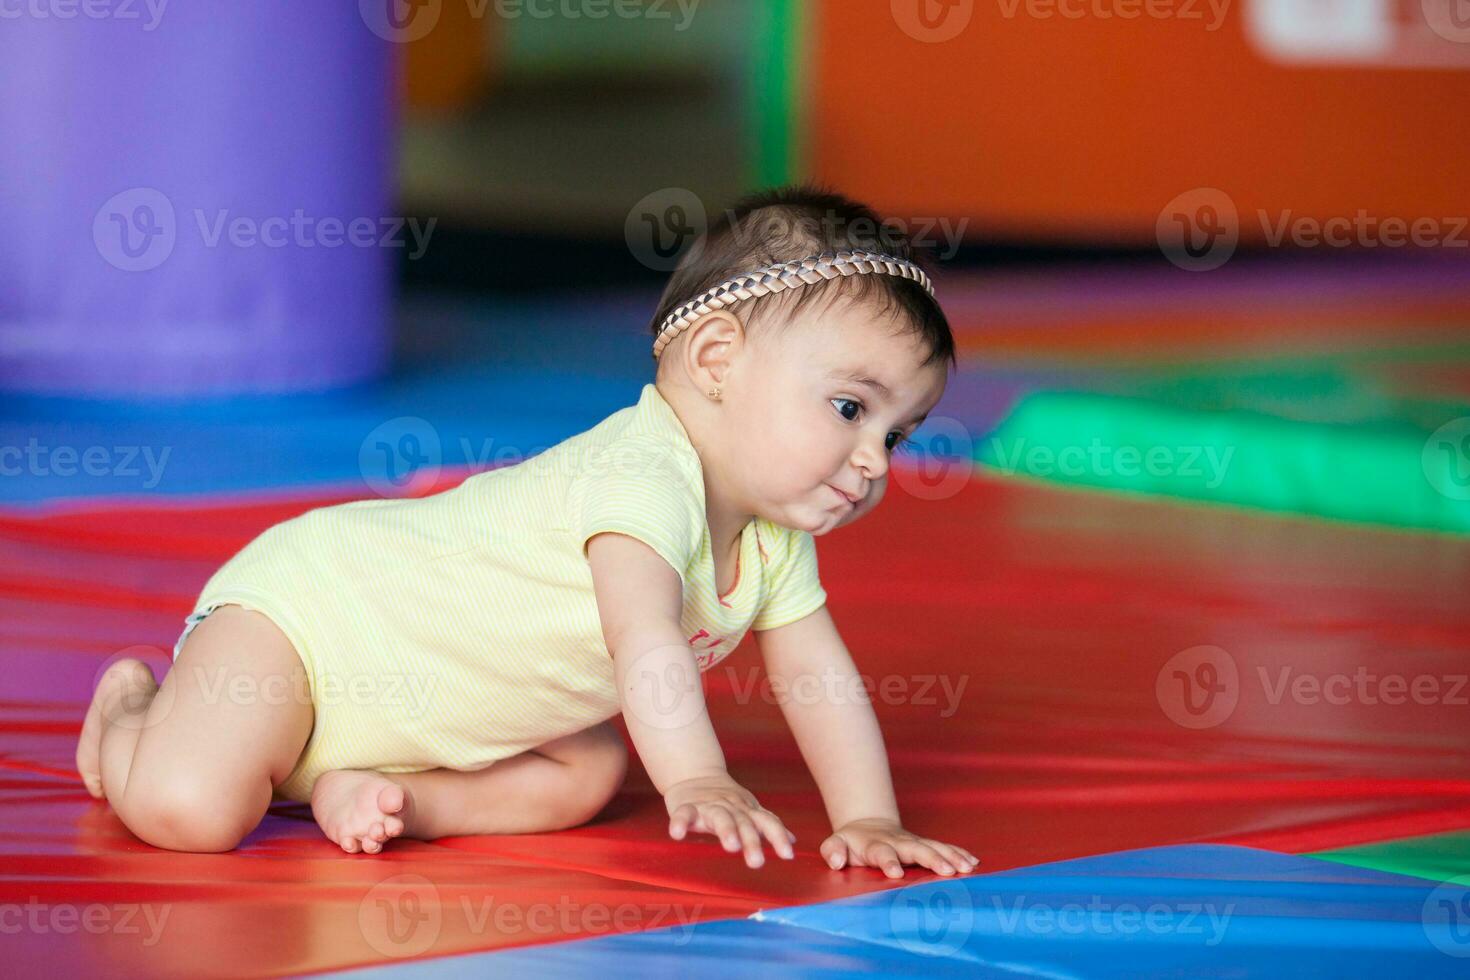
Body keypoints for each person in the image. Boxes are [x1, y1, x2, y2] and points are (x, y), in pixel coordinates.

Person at [76, 184, 978, 879]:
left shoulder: (776, 540)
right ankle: (129, 715)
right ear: (716, 361)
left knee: (585, 774)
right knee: (190, 811)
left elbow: (818, 677)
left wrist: (869, 817)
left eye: (894, 434)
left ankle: (395, 799)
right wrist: (696, 777)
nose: (873, 461)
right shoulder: (641, 473)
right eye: (850, 408)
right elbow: (645, 641)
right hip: (312, 628)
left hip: (429, 723)